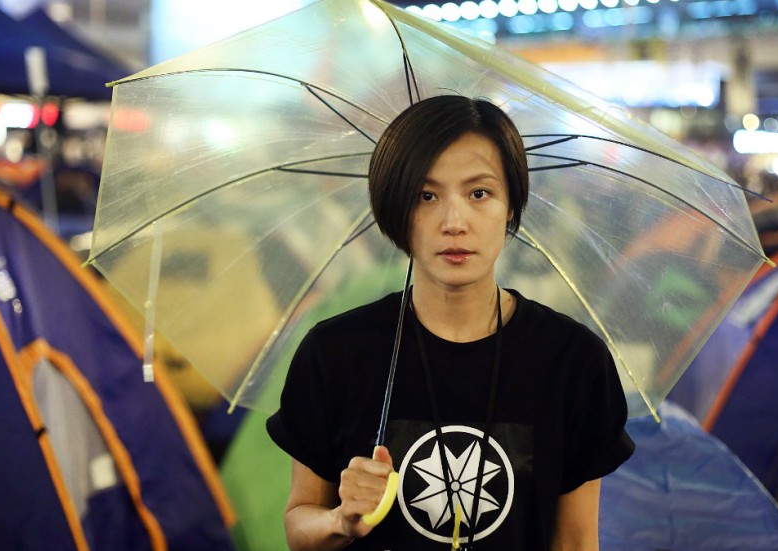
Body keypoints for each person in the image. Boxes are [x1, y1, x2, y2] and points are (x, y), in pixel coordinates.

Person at [267, 95, 634, 550]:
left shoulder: (572, 360)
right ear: (396, 210)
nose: (454, 221)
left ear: (511, 207)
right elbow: (298, 527)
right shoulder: (336, 352)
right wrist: (340, 521)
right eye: (426, 196)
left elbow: (577, 541)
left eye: (479, 193)